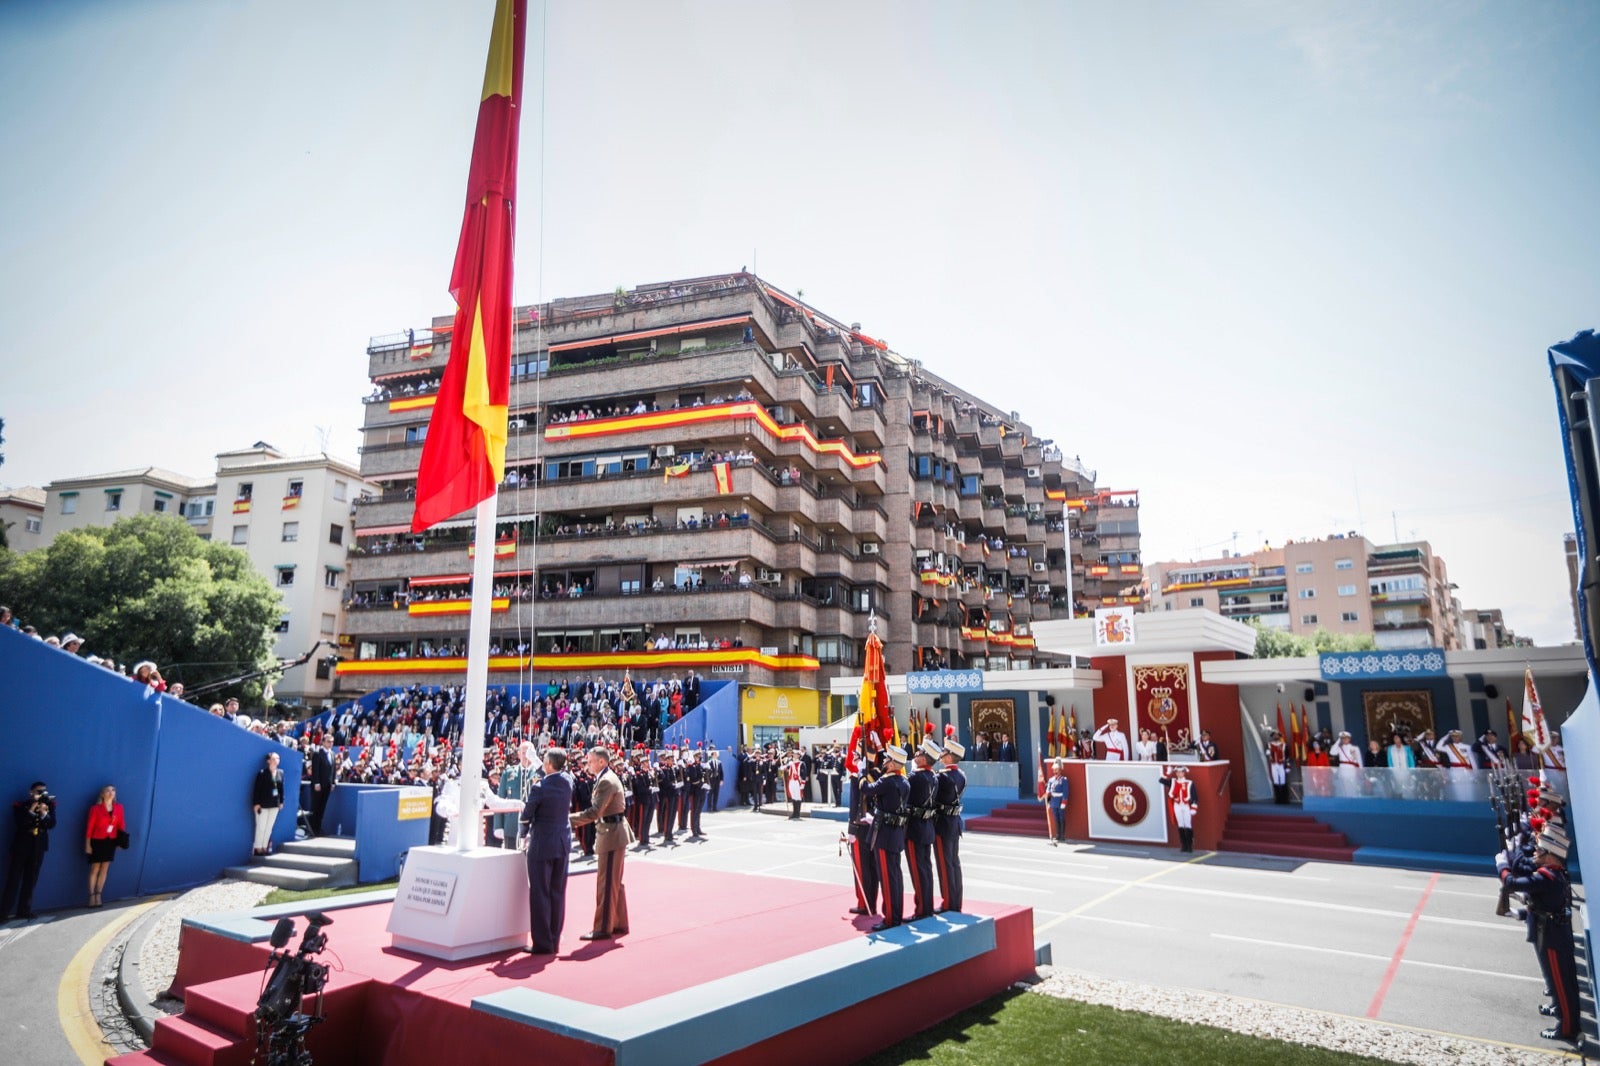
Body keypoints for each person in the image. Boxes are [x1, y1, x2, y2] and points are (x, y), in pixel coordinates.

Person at [1498, 834, 1578, 1042]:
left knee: (1561, 984)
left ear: (1551, 857)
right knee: (1562, 982)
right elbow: (1544, 905)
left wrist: (1502, 866)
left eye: (1540, 851)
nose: (1535, 852)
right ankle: (1565, 1020)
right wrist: (1522, 913)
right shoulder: (1553, 875)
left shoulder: (1547, 877)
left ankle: (1567, 1027)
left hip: (1551, 937)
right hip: (1552, 932)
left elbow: (1512, 882)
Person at [570, 746, 635, 940]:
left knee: (607, 883)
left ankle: (603, 928)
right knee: (614, 882)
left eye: (590, 761)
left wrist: (566, 819)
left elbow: (594, 812)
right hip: (612, 832)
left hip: (612, 834)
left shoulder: (606, 780)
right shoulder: (605, 777)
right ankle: (619, 923)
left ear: (602, 762)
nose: (587, 764)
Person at [519, 747, 574, 954]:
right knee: (557, 892)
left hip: (542, 844)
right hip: (562, 842)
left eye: (544, 761)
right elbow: (557, 774)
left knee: (540, 892)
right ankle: (554, 938)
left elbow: (526, 815)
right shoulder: (567, 781)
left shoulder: (539, 788)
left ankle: (543, 943)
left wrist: (522, 832)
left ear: (549, 764)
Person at [863, 745, 911, 931]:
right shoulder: (904, 781)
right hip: (896, 834)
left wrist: (860, 773)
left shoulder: (887, 781)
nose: (884, 762)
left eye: (886, 760)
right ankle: (896, 914)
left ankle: (891, 918)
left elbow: (867, 789)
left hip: (884, 834)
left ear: (892, 765)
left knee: (887, 877)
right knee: (895, 876)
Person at [3, 782, 57, 921]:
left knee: (31, 879)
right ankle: (3, 913)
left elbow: (51, 825)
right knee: (13, 879)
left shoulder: (49, 806)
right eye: (39, 791)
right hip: (22, 846)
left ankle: (24, 910)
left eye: (44, 791)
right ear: (31, 792)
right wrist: (33, 808)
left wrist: (44, 812)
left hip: (38, 847)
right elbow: (21, 824)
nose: (42, 794)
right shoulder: (21, 806)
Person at [906, 741, 941, 920]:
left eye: (919, 753)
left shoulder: (915, 777)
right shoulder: (933, 776)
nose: (916, 755)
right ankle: (927, 906)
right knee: (926, 868)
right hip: (927, 827)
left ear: (924, 757)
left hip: (914, 828)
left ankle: (922, 909)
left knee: (918, 871)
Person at [933, 731, 966, 913]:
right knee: (954, 863)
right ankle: (956, 901)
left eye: (943, 753)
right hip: (954, 822)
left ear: (950, 756)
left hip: (942, 823)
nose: (941, 756)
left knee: (945, 865)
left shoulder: (943, 776)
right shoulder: (960, 775)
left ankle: (948, 903)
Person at [847, 750, 880, 917]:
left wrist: (851, 830)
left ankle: (864, 903)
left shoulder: (857, 778)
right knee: (873, 867)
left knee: (862, 867)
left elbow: (854, 805)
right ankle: (872, 902)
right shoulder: (878, 774)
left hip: (860, 827)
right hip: (873, 824)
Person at [85, 784, 125, 907]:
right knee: (95, 868)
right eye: (107, 790)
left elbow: (121, 825)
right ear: (102, 794)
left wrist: (121, 841)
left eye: (113, 790)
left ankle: (99, 894)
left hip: (110, 841)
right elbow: (89, 828)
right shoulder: (95, 808)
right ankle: (91, 896)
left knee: (104, 869)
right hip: (97, 841)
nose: (111, 792)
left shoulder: (119, 808)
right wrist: (87, 844)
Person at [252, 752, 285, 856]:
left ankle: (264, 846)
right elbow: (257, 789)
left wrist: (281, 801)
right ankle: (258, 848)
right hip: (263, 804)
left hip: (274, 804)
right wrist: (256, 803)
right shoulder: (262, 773)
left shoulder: (280, 772)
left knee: (269, 827)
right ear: (268, 761)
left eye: (278, 758)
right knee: (261, 826)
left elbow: (281, 789)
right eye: (274, 758)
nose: (277, 760)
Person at [1161, 765, 1198, 853]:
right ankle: (1183, 845)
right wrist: (1167, 773)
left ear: (1184, 773)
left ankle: (1190, 845)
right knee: (1180, 824)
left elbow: (1195, 796)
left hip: (1186, 806)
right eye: (1177, 772)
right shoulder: (1173, 782)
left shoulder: (1189, 783)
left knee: (1188, 824)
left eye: (1180, 772)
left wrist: (1193, 807)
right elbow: (1161, 780)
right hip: (1177, 805)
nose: (1179, 774)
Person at [309, 735, 335, 836]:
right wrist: (316, 783)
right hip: (318, 785)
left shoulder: (332, 754)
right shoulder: (317, 753)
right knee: (315, 807)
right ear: (323, 742)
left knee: (322, 808)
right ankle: (313, 829)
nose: (330, 743)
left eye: (332, 742)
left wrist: (333, 782)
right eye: (328, 741)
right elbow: (315, 770)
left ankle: (318, 828)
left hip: (327, 786)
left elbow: (333, 770)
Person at [1044, 759, 1069, 845]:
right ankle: (1058, 834)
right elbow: (1048, 790)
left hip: (1060, 801)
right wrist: (1047, 795)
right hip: (1054, 801)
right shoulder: (1051, 780)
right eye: (1054, 770)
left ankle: (1062, 835)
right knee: (1056, 818)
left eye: (1056, 770)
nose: (1055, 772)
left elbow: (1066, 792)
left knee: (1061, 818)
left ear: (1060, 770)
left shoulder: (1064, 779)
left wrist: (1064, 802)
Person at [1266, 730, 1290, 804]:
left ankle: (1285, 799)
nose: (1276, 736)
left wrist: (1288, 765)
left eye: (1277, 735)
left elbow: (1287, 756)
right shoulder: (1270, 744)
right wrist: (1269, 755)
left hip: (1281, 764)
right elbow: (1268, 753)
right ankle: (1278, 799)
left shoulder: (1283, 744)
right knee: (1276, 781)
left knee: (1283, 780)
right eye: (1274, 735)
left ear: (1280, 736)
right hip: (1274, 764)